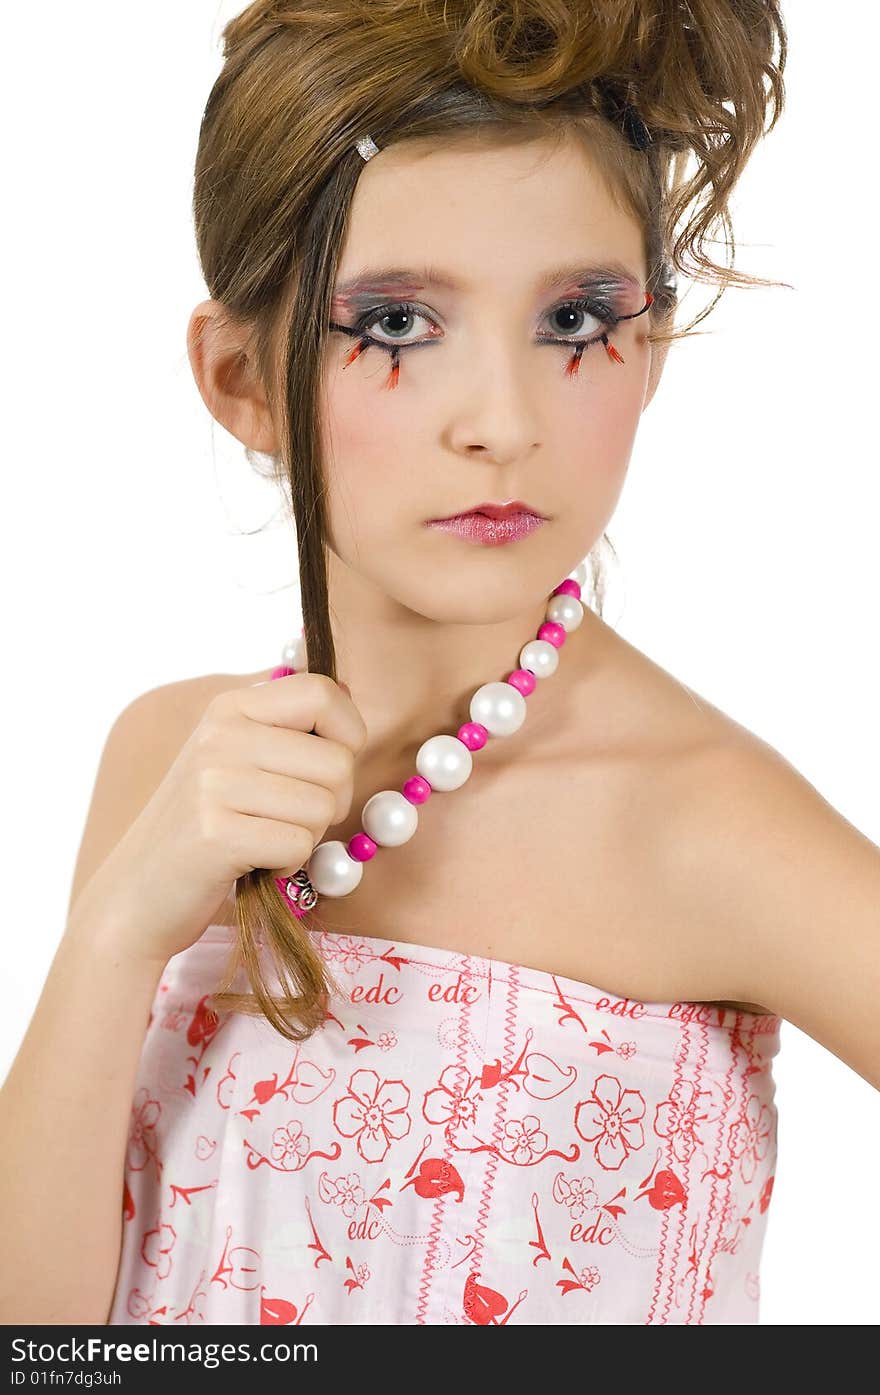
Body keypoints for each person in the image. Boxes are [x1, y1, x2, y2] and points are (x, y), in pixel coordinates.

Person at [1, 0, 877, 1328]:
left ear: (644, 350)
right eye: (401, 325)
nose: (505, 425)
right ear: (241, 380)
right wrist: (120, 930)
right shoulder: (167, 764)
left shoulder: (700, 823)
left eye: (577, 318)